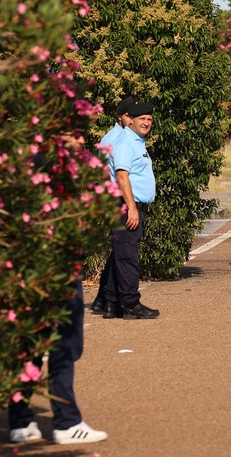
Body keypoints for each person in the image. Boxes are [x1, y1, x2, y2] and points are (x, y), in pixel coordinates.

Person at [9, 131, 108, 445]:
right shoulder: (54, 171)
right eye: (74, 134)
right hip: (56, 268)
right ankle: (67, 422)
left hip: (32, 270)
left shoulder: (29, 166)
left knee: (33, 345)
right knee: (64, 344)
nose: (81, 140)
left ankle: (21, 420)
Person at [101, 101, 160, 320]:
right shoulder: (126, 142)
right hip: (127, 206)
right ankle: (130, 304)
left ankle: (112, 302)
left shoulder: (136, 141)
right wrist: (132, 209)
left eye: (149, 119)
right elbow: (122, 176)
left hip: (130, 205)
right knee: (128, 258)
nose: (146, 123)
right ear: (130, 120)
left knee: (121, 254)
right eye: (142, 119)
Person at [90, 96, 136, 315]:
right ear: (120, 116)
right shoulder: (116, 138)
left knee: (118, 250)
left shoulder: (122, 137)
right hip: (116, 197)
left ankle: (103, 299)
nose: (131, 119)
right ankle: (107, 299)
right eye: (128, 115)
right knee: (121, 250)